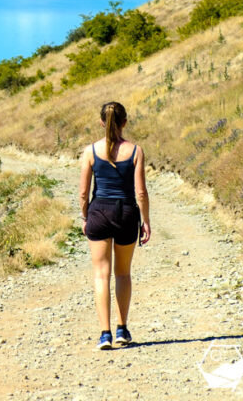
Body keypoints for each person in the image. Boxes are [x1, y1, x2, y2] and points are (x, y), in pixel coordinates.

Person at [78, 101, 151, 350]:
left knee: (101, 275)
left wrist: (86, 217)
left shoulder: (90, 151)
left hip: (99, 211)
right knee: (123, 273)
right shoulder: (135, 151)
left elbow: (83, 193)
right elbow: (140, 192)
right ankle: (122, 329)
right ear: (124, 123)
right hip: (127, 213)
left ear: (101, 122)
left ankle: (104, 334)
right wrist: (146, 222)